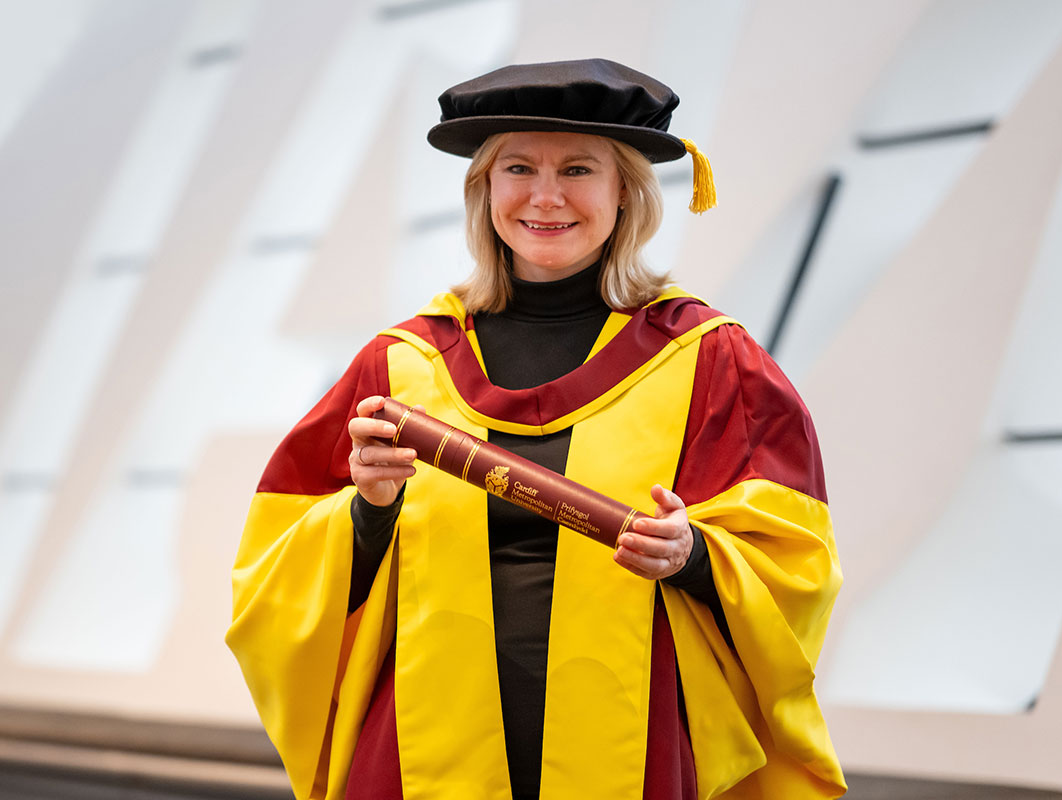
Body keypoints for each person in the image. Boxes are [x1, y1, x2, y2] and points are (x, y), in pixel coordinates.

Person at [227, 59, 846, 800]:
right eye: (518, 167)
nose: (545, 197)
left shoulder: (709, 360)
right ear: (485, 189)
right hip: (423, 749)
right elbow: (272, 575)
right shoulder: (400, 364)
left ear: (626, 193)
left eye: (579, 169)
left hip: (633, 739)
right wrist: (366, 511)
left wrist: (695, 554)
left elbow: (794, 562)